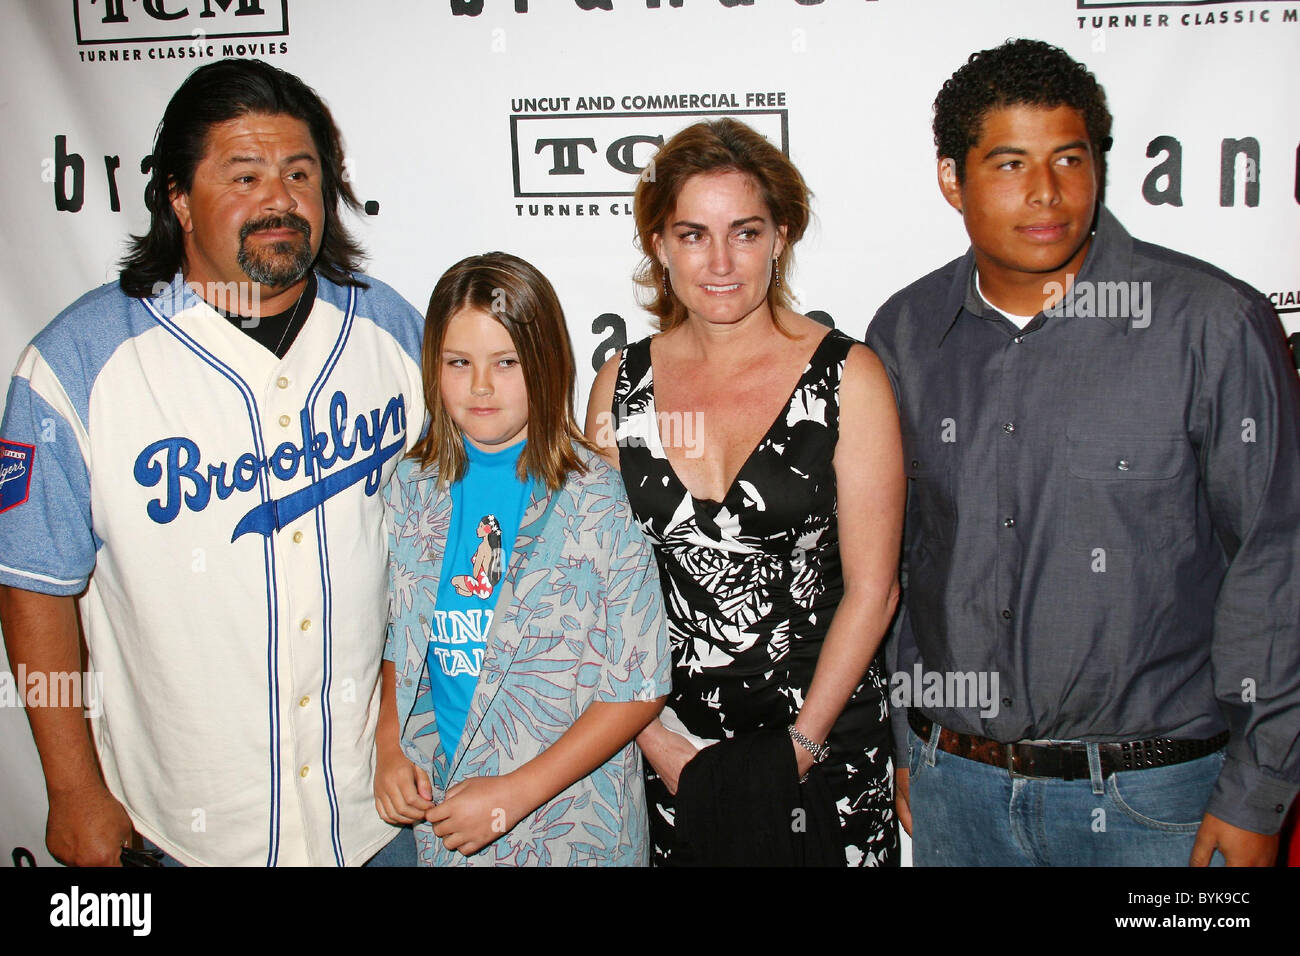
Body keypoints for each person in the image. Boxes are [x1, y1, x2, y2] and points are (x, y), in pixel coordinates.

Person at [867, 38, 1300, 866]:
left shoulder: (1210, 325)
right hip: (958, 790)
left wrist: (1259, 789)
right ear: (951, 179)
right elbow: (903, 561)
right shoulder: (907, 334)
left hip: (1161, 802)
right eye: (1008, 164)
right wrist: (906, 740)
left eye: (1070, 158)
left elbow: (1276, 563)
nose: (1046, 193)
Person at [0, 59, 428, 866]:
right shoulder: (75, 366)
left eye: (300, 172)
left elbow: (449, 541)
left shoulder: (395, 332)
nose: (280, 198)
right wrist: (72, 789)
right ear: (176, 199)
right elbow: (35, 589)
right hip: (179, 828)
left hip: (376, 814)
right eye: (245, 175)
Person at [585, 119, 905, 866]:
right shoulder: (618, 387)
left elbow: (874, 589)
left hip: (824, 755)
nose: (721, 262)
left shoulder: (850, 379)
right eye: (694, 234)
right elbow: (591, 587)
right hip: (667, 754)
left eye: (747, 232)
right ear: (660, 245)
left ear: (782, 236)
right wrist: (654, 741)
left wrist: (799, 746)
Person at [376, 252, 670, 866]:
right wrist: (388, 747)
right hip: (445, 818)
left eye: (506, 363)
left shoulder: (597, 496)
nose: (481, 386)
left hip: (574, 824)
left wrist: (514, 794)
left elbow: (639, 685)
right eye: (459, 363)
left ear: (544, 364)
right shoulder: (407, 486)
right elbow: (394, 641)